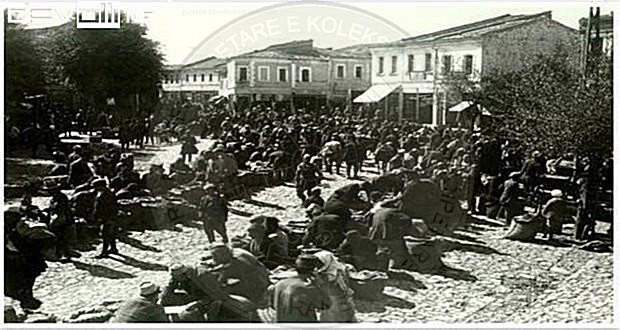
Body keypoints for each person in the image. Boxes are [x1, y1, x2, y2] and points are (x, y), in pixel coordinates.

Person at [160, 263, 258, 322]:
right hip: (196, 295)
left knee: (214, 309)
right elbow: (166, 294)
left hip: (213, 296)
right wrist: (168, 288)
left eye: (176, 277)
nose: (174, 279)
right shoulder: (179, 276)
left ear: (184, 274)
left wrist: (199, 303)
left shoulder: (203, 275)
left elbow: (217, 295)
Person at [272, 254, 331, 323]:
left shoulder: (279, 284)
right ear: (314, 271)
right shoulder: (309, 288)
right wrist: (320, 284)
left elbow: (273, 306)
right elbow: (326, 304)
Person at [314, 250, 356, 322]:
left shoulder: (331, 273)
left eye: (319, 262)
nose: (317, 264)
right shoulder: (336, 268)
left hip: (335, 301)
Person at [44, 182, 74, 262]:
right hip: (59, 219)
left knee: (61, 238)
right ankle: (60, 254)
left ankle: (64, 255)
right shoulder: (56, 197)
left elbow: (61, 209)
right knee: (59, 238)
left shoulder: (60, 197)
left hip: (62, 220)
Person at [93, 178, 119, 258]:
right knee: (111, 233)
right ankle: (113, 248)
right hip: (107, 217)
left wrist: (105, 218)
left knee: (105, 234)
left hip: (108, 218)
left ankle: (104, 252)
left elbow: (110, 208)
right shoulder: (105, 193)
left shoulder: (107, 195)